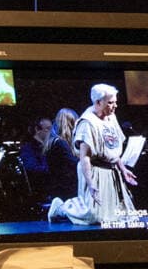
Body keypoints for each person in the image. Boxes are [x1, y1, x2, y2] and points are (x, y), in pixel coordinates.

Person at [47, 84, 137, 226]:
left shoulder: (111, 117)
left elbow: (112, 148)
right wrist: (90, 183)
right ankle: (61, 208)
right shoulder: (87, 123)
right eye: (111, 102)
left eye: (115, 102)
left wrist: (123, 170)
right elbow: (85, 157)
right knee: (93, 216)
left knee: (120, 216)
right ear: (98, 102)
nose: (115, 106)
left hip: (111, 171)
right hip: (94, 170)